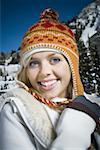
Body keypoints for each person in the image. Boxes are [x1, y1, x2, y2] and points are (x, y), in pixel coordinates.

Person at [0, 8, 100, 150]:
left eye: (55, 59)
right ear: (25, 70)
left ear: (72, 65)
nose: (44, 72)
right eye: (33, 63)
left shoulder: (89, 105)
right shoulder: (15, 110)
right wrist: (73, 135)